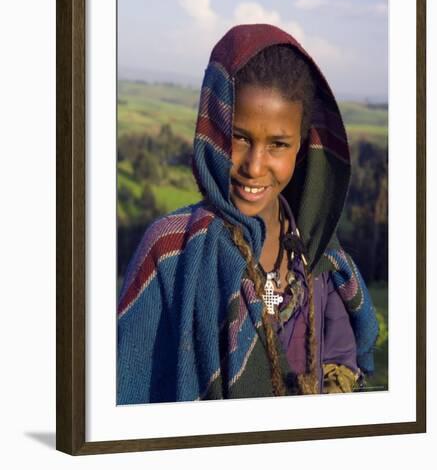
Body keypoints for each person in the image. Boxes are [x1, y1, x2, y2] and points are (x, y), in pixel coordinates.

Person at [117, 23, 379, 404]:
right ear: (215, 128)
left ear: (301, 148)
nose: (255, 167)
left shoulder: (321, 260)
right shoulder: (171, 252)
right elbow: (129, 387)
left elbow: (341, 361)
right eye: (240, 137)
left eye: (278, 144)